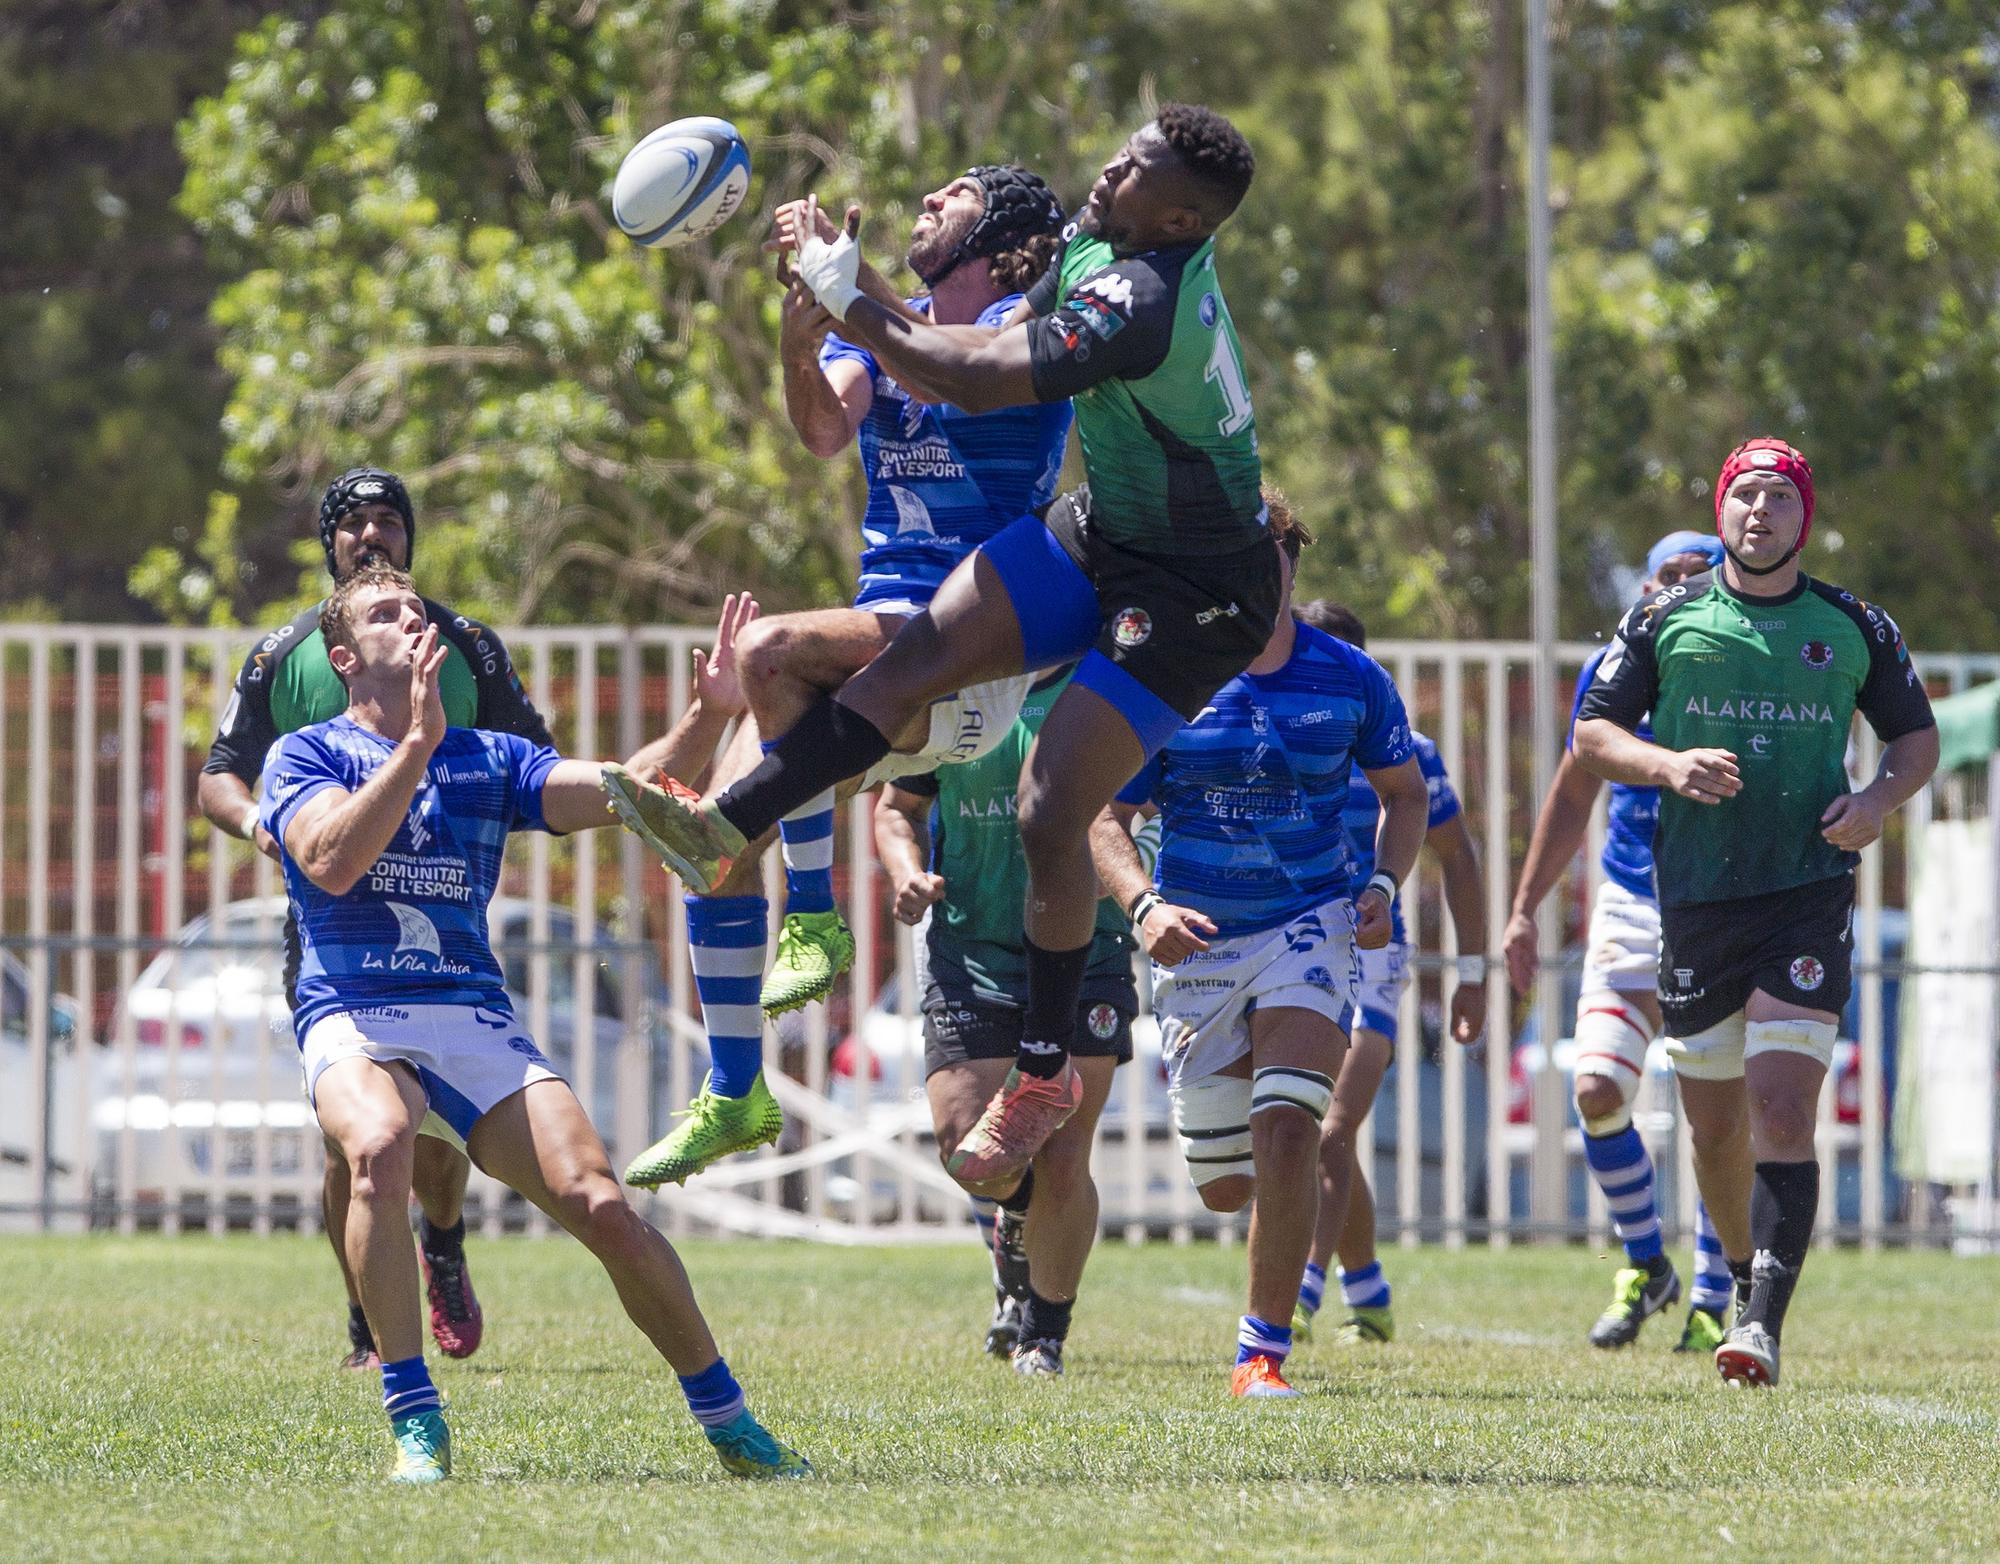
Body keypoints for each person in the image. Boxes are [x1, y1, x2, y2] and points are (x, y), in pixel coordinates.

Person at [607, 104, 1276, 1191]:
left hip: (1200, 585)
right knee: (904, 663)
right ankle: (728, 839)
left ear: (1184, 215)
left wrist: (846, 293)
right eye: (1122, 148)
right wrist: (850, 297)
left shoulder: (1143, 301)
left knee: (1047, 809)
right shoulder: (1102, 245)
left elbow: (967, 378)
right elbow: (944, 354)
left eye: (1137, 166)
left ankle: (1045, 1072)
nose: (1109, 167)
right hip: (1105, 528)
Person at [260, 563, 807, 1482]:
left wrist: (712, 714)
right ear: (347, 658)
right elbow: (331, 861)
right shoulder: (305, 754)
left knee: (602, 1206)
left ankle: (729, 1421)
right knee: (380, 1150)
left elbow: (632, 788)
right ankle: (415, 1418)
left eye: (418, 607)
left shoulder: (489, 755)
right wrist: (415, 749)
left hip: (469, 1013)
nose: (414, 618)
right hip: (354, 1012)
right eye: (387, 613)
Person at [611, 163, 1073, 1192]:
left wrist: (844, 280)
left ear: (1001, 239)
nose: (928, 199)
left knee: (766, 649)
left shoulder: (1011, 326)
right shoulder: (882, 323)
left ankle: (813, 910)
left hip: (968, 647)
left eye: (953, 194)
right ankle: (735, 1092)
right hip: (881, 643)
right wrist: (799, 325)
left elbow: (941, 366)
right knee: (708, 830)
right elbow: (823, 426)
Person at [1574, 439, 1937, 1387]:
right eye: (1745, 496)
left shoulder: (1853, 625)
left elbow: (1916, 739)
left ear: (1804, 517)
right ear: (1723, 509)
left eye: (1779, 497)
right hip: (1696, 898)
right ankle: (1739, 1278)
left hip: (1806, 892)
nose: (1760, 513)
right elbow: (1593, 732)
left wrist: (1874, 804)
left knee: (1782, 1105)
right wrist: (1665, 765)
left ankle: (1762, 1323)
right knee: (1715, 1127)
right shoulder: (1665, 617)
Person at [198, 468, 553, 1370]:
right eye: (352, 525)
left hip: (449, 922)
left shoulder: (465, 646)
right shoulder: (289, 655)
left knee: (438, 1142)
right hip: (329, 930)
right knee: (350, 1136)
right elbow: (219, 773)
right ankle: (369, 1322)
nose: (370, 537)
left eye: (386, 521)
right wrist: (260, 826)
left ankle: (441, 1239)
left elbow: (541, 767)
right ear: (330, 546)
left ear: (410, 537)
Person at [1089, 502, 1429, 1397]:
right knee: (1224, 1184)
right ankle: (1268, 1311)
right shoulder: (1167, 674)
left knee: (1289, 1130)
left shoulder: (1352, 679)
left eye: (1268, 554)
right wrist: (1142, 905)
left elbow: (1407, 795)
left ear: (1292, 563)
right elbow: (1105, 815)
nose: (1253, 569)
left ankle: (1260, 1354)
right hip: (1194, 938)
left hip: (1308, 926)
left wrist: (1383, 888)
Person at [1503, 530, 1741, 1353]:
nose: (1675, 589)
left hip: (1721, 906)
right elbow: (1572, 795)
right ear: (1642, 587)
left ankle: (1716, 1291)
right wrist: (1525, 909)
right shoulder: (1616, 670)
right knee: (1598, 1088)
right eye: (1663, 577)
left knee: (1714, 1114)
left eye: (1693, 576)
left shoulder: (1743, 664)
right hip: (1632, 903)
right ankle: (1649, 1265)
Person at [873, 666, 1135, 1376]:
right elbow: (897, 808)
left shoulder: (1105, 688)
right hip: (972, 953)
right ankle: (1015, 1214)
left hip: (1088, 950)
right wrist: (906, 872)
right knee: (970, 1151)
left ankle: (1042, 1335)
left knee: (1061, 1152)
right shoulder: (958, 686)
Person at [1282, 601, 1486, 1350]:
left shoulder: (1408, 753)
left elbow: (1458, 855)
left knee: (1329, 1131)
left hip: (1374, 958)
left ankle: (1297, 1296)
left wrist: (1474, 971)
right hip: (1288, 952)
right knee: (1306, 1131)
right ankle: (1367, 1290)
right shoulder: (1270, 738)